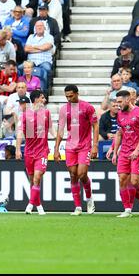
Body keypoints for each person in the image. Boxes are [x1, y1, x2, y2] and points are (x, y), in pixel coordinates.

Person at [54, 85, 99, 215]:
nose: (68, 98)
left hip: (84, 145)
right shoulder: (64, 110)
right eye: (66, 96)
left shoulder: (87, 107)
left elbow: (95, 126)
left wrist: (95, 145)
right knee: (73, 175)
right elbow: (60, 130)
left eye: (71, 96)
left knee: (82, 174)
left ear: (77, 94)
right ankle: (78, 207)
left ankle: (89, 199)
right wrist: (56, 149)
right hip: (70, 146)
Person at [111, 90, 139, 217]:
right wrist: (114, 152)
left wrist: (137, 149)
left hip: (137, 152)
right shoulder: (119, 114)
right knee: (122, 179)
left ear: (128, 99)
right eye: (116, 102)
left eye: (120, 102)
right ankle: (127, 210)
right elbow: (119, 133)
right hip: (124, 151)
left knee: (135, 181)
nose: (118, 105)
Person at [15, 89, 51, 215]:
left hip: (42, 151)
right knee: (33, 181)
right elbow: (20, 132)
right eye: (42, 98)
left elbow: (51, 130)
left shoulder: (46, 113)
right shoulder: (25, 115)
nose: (44, 100)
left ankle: (30, 205)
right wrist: (18, 149)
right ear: (36, 99)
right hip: (29, 152)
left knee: (37, 177)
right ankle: (39, 206)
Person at [24, 20, 54, 92]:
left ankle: (46, 90)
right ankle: (25, 90)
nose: (39, 27)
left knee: (47, 69)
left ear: (44, 28)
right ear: (35, 28)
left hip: (44, 60)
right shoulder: (31, 37)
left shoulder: (49, 37)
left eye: (41, 26)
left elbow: (46, 47)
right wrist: (41, 48)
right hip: (31, 61)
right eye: (37, 26)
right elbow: (26, 49)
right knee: (20, 68)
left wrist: (33, 47)